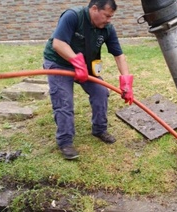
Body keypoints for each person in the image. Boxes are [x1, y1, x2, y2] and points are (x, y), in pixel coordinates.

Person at [43, 0, 133, 160]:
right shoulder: (73, 16)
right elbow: (58, 43)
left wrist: (126, 81)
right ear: (94, 9)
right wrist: (76, 62)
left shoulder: (107, 29)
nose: (109, 20)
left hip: (86, 66)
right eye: (106, 15)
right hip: (59, 63)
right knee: (64, 102)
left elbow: (119, 55)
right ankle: (65, 142)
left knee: (101, 92)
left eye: (111, 17)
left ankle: (99, 129)